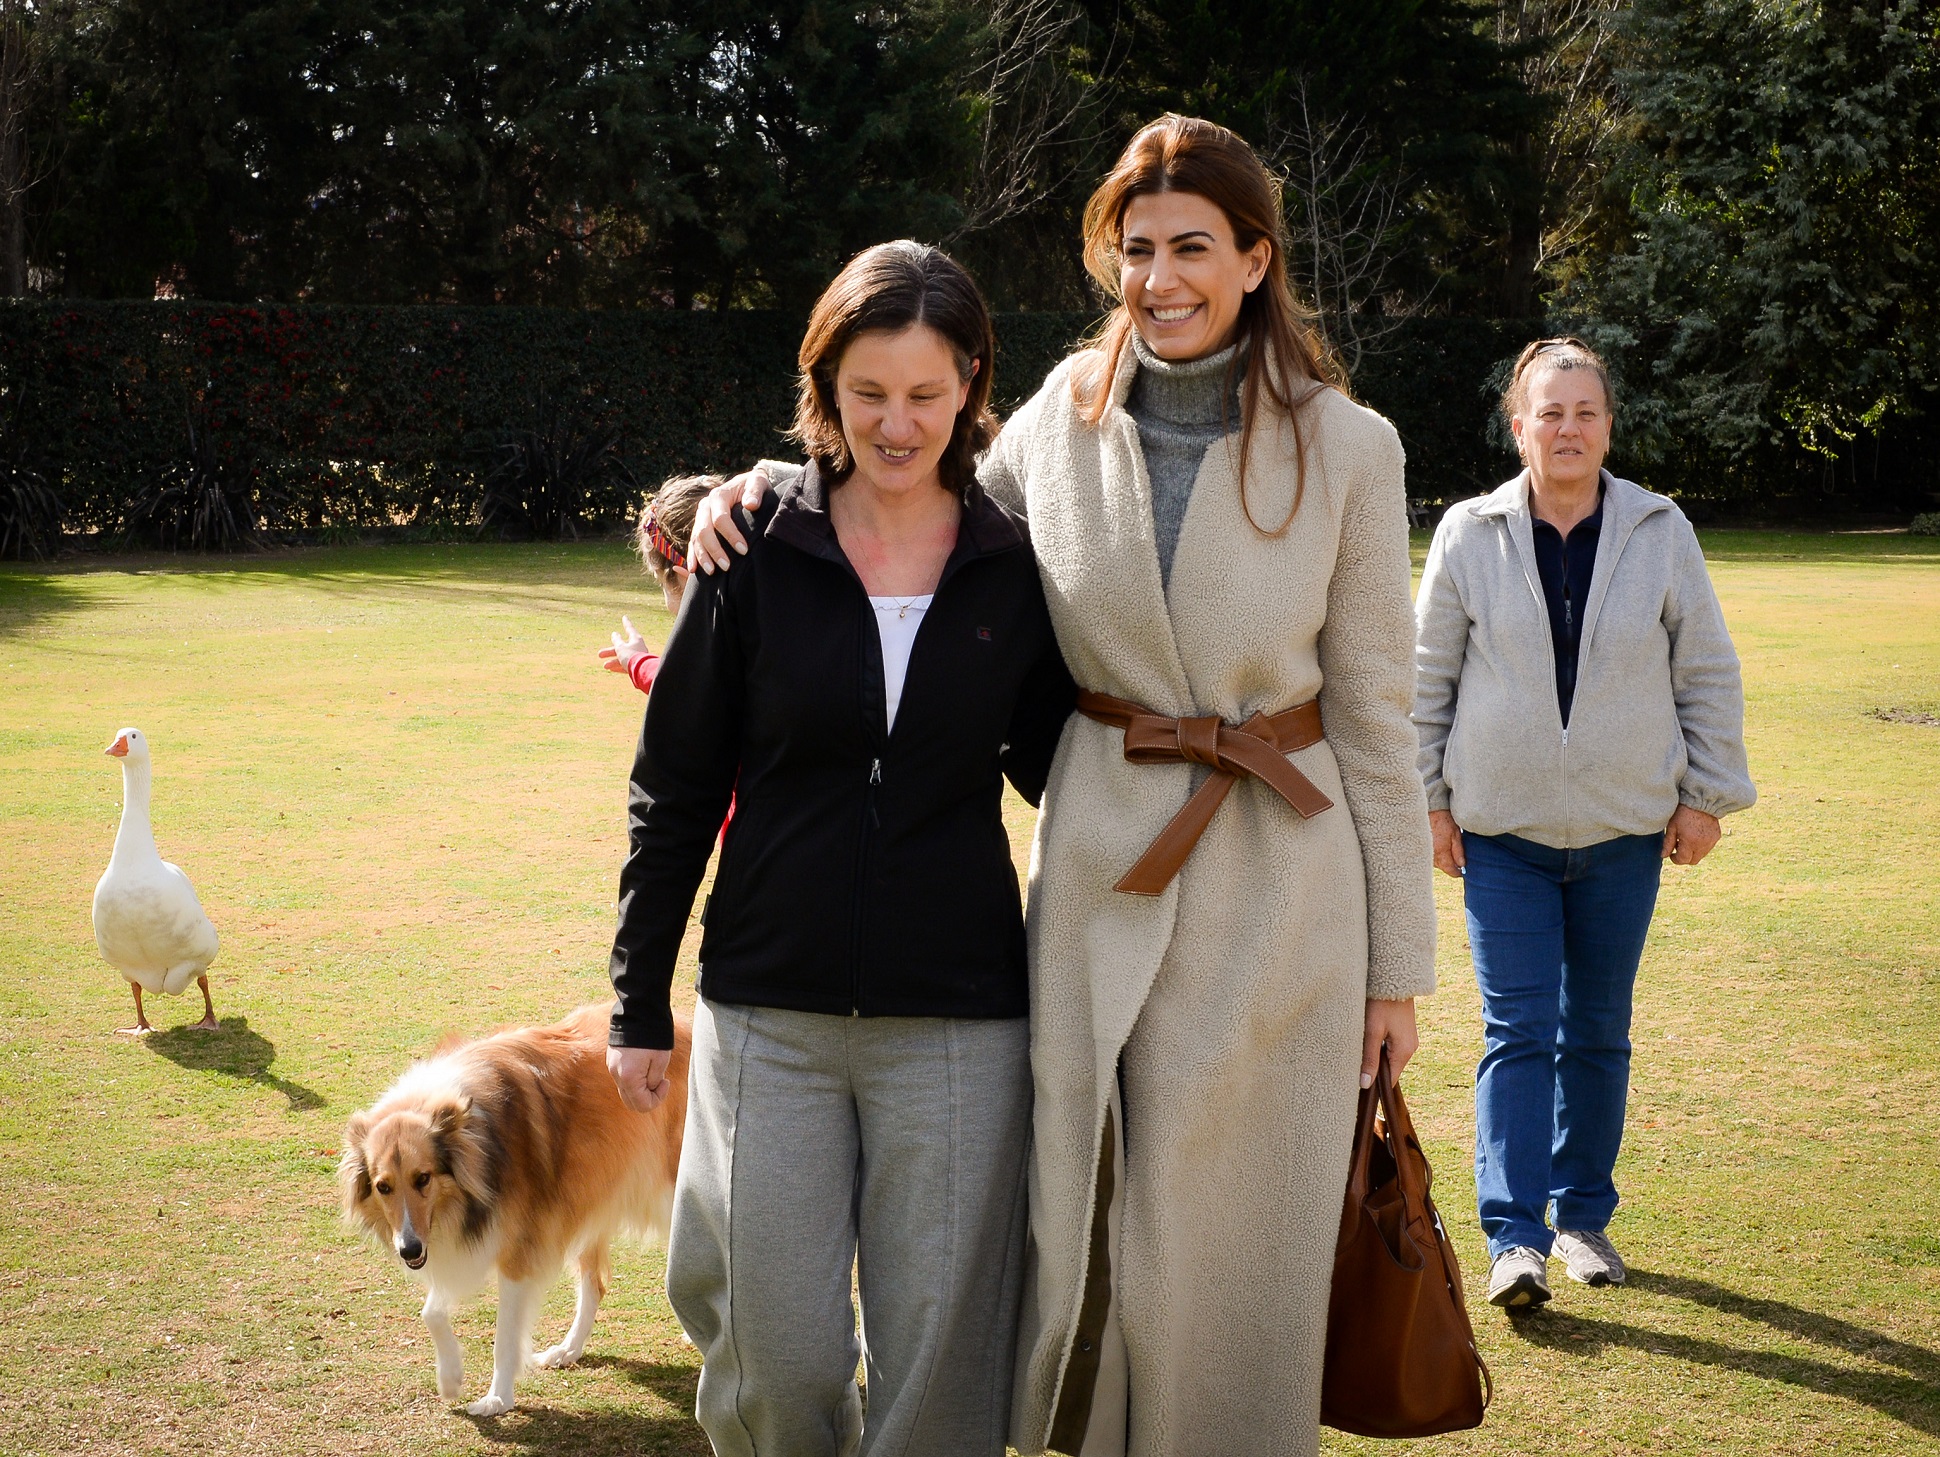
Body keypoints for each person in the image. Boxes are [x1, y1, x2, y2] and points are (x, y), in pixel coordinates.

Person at [688, 115, 1435, 1457]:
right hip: (1099, 871)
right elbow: (898, 492)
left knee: (1226, 1239)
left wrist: (1398, 972)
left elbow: (1379, 722)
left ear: (1257, 259)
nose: (1162, 278)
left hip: (1286, 889)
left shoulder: (1353, 449)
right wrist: (747, 488)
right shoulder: (1055, 419)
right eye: (1136, 248)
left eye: (1194, 247)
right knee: (1090, 1205)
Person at [605, 240, 1076, 1457]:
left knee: (936, 1352)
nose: (897, 422)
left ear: (971, 383)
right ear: (826, 386)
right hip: (771, 1009)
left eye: (925, 393)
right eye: (868, 393)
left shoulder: (1016, 563)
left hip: (961, 1018)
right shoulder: (750, 545)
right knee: (778, 1347)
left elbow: (1057, 764)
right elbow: (673, 782)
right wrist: (635, 998)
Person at [1412, 336, 1756, 1310]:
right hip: (1500, 833)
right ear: (1515, 424)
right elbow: (1423, 677)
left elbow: (1704, 668)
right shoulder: (1467, 533)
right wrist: (1426, 804)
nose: (1566, 429)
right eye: (1547, 412)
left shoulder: (1658, 528)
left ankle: (1579, 1219)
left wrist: (1704, 794)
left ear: (1607, 425)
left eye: (1584, 412)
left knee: (1597, 1029)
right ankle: (1513, 1238)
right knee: (1515, 1028)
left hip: (1621, 834)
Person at [597, 473, 721, 692]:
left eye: (661, 582)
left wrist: (638, 662)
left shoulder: (721, 637)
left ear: (685, 576)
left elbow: (689, 692)